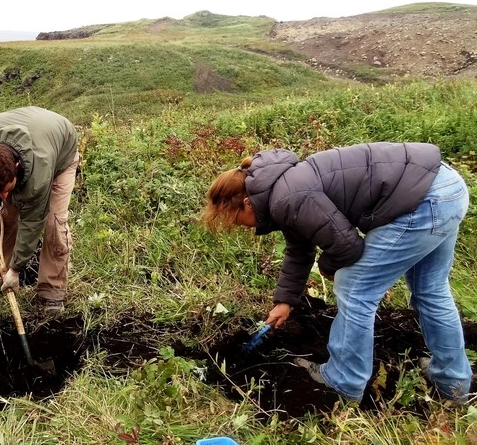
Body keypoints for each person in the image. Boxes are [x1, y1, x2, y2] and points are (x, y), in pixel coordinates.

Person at [202, 142, 471, 404]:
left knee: (354, 287)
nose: (241, 227)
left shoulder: (287, 197)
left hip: (424, 200)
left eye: (235, 220)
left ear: (247, 203)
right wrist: (285, 301)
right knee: (430, 289)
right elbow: (299, 249)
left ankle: (344, 381)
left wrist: (327, 268)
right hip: (444, 186)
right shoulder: (282, 188)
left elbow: (347, 247)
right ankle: (453, 382)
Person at [0, 106, 80, 315]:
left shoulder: (38, 178)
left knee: (53, 223)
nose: (4, 196)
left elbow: (32, 222)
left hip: (60, 152)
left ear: (17, 167)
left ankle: (51, 291)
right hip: (32, 127)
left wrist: (16, 269)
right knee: (7, 217)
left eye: (6, 190)